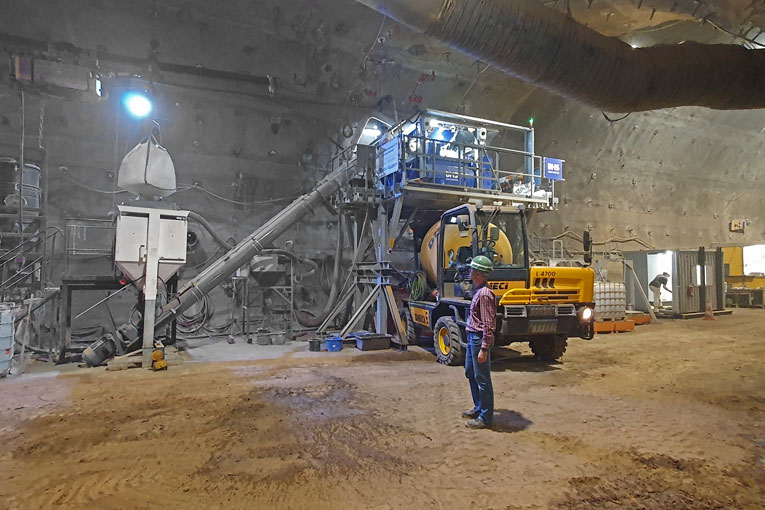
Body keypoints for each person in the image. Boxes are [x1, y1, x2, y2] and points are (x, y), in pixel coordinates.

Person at [462, 255, 496, 429]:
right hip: (471, 337)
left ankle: (485, 417)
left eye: (472, 270)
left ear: (478, 274)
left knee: (482, 378)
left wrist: (484, 348)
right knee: (470, 372)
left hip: (478, 340)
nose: (469, 272)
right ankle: (478, 407)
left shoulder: (484, 295)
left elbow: (488, 324)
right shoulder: (478, 291)